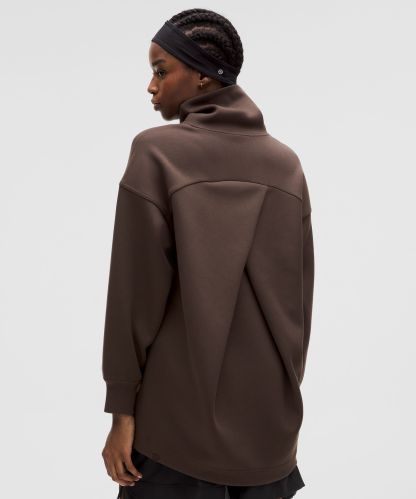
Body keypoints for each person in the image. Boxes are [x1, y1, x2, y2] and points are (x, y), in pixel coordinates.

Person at [101, 8, 314, 499]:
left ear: (202, 75)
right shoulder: (286, 165)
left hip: (174, 434)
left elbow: (134, 294)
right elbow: (298, 305)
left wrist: (121, 411)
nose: (151, 86)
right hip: (269, 433)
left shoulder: (156, 152)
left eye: (161, 70)